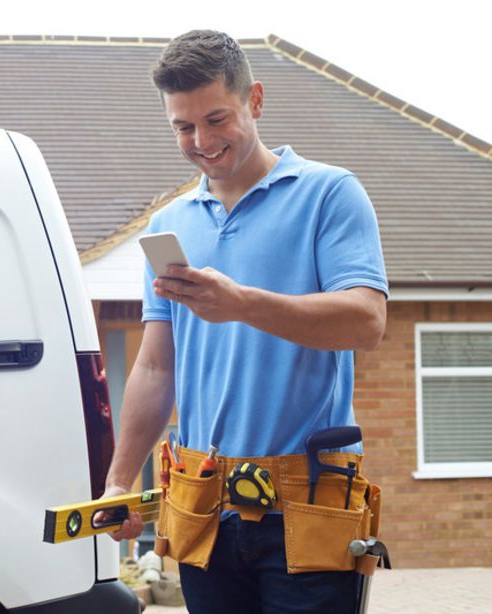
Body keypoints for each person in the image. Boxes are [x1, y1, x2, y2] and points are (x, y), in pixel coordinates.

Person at [101, 30, 388, 613]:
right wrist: (118, 479)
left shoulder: (329, 194)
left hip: (306, 510)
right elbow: (156, 367)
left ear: (255, 100)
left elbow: (366, 323)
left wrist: (242, 304)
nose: (202, 141)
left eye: (216, 119)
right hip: (204, 509)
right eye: (183, 127)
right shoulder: (172, 224)